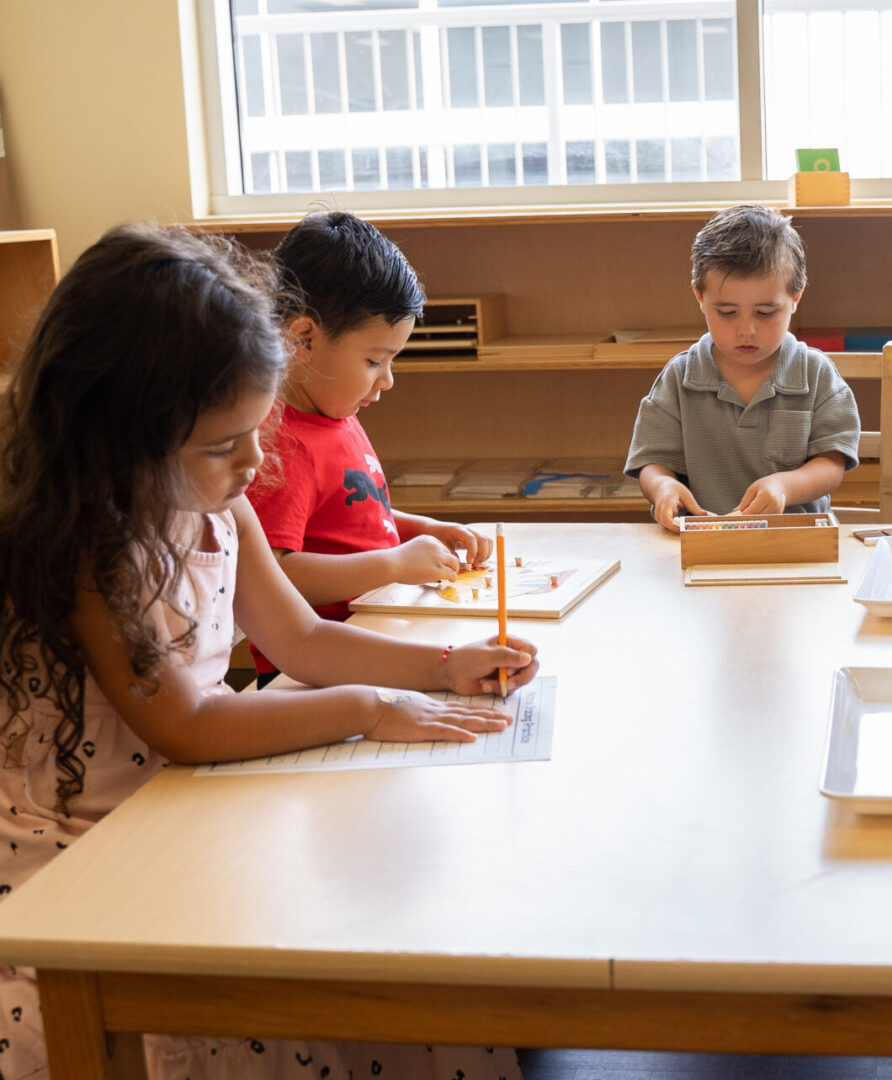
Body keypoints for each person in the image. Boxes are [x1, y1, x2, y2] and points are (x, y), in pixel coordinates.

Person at [0, 223, 536, 1078]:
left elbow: (301, 638)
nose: (258, 462)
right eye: (225, 444)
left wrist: (444, 666)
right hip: (88, 844)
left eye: (258, 429)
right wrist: (370, 710)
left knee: (396, 952)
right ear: (119, 436)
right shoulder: (91, 546)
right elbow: (188, 724)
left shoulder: (219, 501)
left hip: (184, 804)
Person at [247, 210, 493, 685]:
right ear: (303, 338)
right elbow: (274, 576)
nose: (388, 380)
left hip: (370, 638)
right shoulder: (282, 445)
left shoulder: (336, 414)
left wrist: (420, 529)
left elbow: (354, 517)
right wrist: (395, 564)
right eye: (374, 361)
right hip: (310, 668)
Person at [625, 204, 861, 532]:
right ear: (700, 297)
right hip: (702, 541)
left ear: (795, 298)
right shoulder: (680, 377)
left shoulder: (816, 373)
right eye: (726, 312)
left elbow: (833, 463)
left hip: (793, 541)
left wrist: (784, 486)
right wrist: (663, 487)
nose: (746, 330)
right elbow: (653, 462)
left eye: (765, 312)